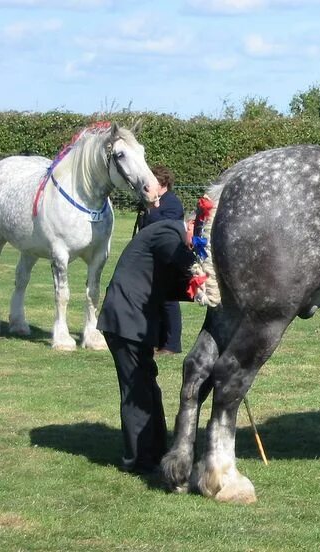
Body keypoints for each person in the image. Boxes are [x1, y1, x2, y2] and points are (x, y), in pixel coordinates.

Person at [98, 218, 196, 474]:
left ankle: (156, 452)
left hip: (134, 321)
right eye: (197, 240)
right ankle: (138, 460)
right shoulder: (169, 232)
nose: (196, 248)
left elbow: (176, 285)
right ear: (192, 225)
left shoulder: (172, 237)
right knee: (137, 391)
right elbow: (183, 263)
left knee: (148, 387)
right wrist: (205, 270)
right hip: (125, 320)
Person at [134, 165, 186, 354]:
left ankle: (172, 344)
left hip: (166, 257)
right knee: (153, 300)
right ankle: (156, 340)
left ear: (162, 183)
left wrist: (150, 209)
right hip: (150, 257)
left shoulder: (171, 203)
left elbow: (164, 229)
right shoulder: (153, 202)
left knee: (168, 301)